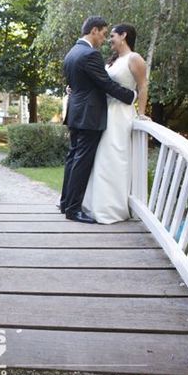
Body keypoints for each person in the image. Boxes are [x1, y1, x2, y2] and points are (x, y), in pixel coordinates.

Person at [59, 16, 136, 224]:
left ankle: (66, 202)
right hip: (89, 115)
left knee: (73, 157)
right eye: (103, 34)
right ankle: (73, 209)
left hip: (76, 112)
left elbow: (76, 85)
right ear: (94, 30)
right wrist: (131, 97)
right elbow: (105, 84)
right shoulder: (90, 54)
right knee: (82, 161)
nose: (104, 39)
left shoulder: (72, 52)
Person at [82, 23, 149, 223]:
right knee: (101, 159)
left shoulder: (134, 58)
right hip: (105, 113)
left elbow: (143, 85)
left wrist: (142, 113)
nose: (109, 39)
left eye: (112, 35)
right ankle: (95, 205)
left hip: (121, 115)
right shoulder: (112, 61)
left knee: (114, 158)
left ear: (124, 35)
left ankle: (111, 209)